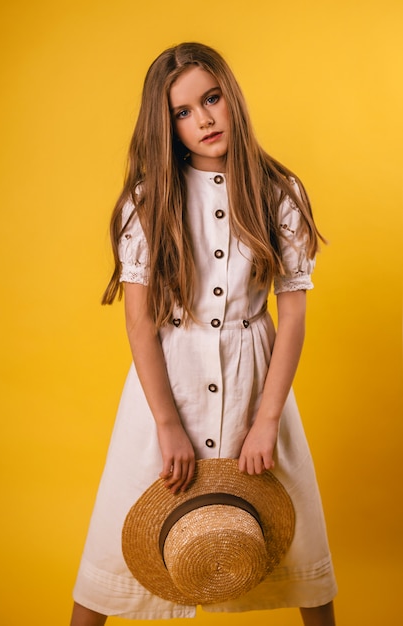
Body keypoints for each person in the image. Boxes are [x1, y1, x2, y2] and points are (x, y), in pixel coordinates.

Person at [70, 42, 337, 626]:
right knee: (112, 554)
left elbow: (291, 314)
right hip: (165, 389)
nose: (204, 120)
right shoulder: (147, 202)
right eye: (183, 112)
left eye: (211, 98)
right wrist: (167, 423)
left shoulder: (279, 194)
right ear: (166, 126)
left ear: (230, 97)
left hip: (258, 384)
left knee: (302, 552)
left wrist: (266, 419)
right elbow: (139, 321)